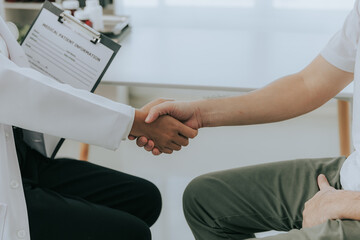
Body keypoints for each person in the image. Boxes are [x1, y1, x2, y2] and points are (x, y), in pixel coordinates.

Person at [132, 0, 360, 239]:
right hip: (349, 178)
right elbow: (309, 84)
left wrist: (346, 204)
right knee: (205, 200)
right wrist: (199, 113)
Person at [0, 16, 197, 240]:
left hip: (21, 159)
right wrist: (137, 121)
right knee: (133, 234)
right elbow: (12, 88)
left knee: (145, 199)